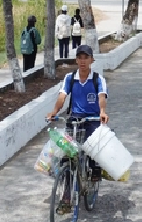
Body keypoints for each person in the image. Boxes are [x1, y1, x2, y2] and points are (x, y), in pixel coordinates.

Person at [46, 44, 109, 209]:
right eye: (80, 57)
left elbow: (101, 97)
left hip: (93, 119)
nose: (82, 61)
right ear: (76, 60)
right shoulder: (70, 78)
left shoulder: (97, 79)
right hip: (73, 119)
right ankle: (66, 198)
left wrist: (102, 111)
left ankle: (95, 170)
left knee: (92, 147)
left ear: (91, 60)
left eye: (86, 57)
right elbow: (62, 96)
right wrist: (54, 111)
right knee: (67, 158)